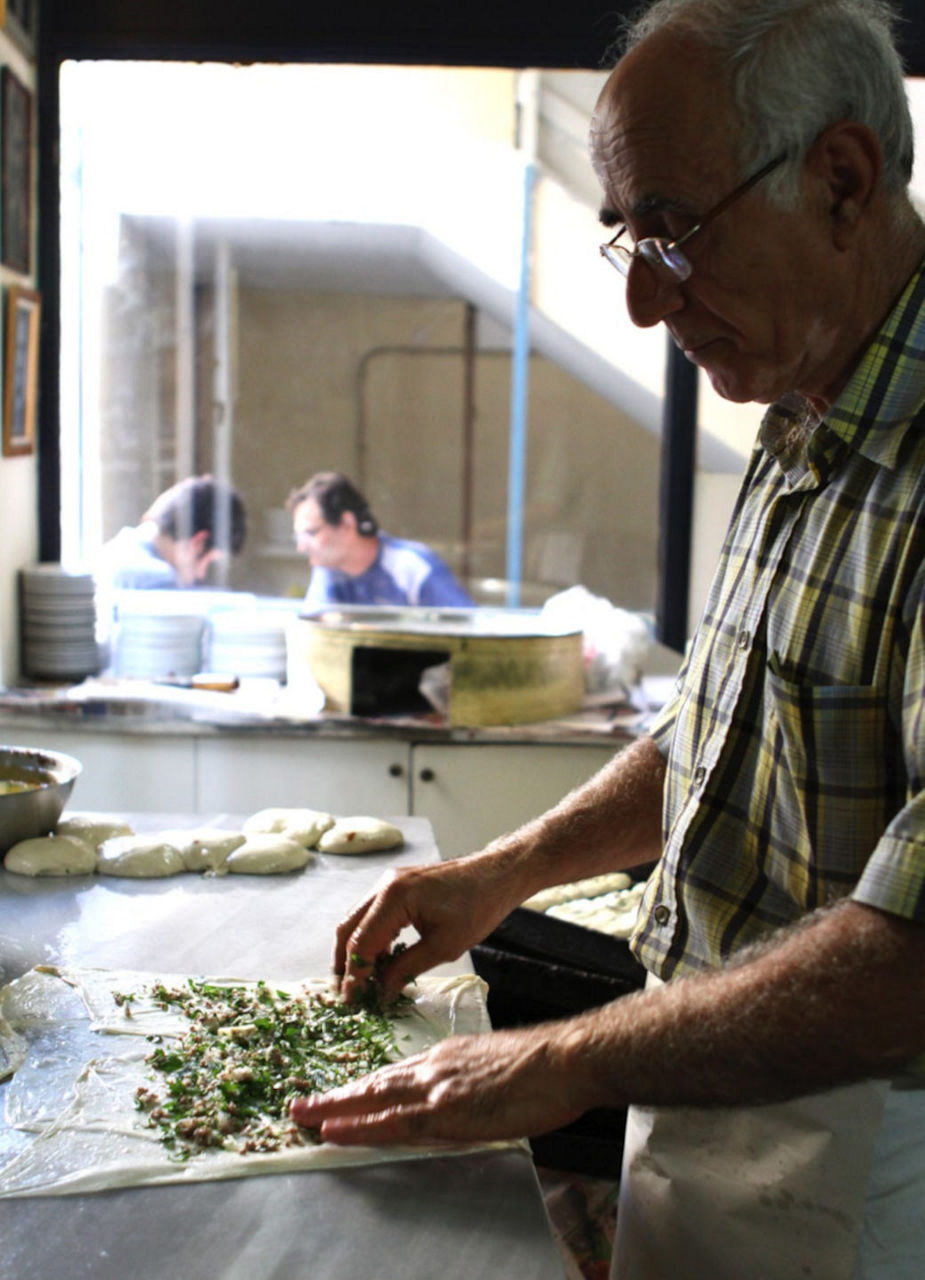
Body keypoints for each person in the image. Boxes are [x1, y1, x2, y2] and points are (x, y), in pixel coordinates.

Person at [288, 2, 925, 1277]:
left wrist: (551, 1058)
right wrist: (501, 870)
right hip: (704, 1075)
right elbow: (715, 732)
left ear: (842, 179)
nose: (641, 300)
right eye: (627, 239)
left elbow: (910, 957)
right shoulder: (807, 403)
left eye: (675, 233)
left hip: (860, 1155)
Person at [288, 471, 473, 608]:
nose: (301, 547)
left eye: (311, 533)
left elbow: (469, 632)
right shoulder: (327, 571)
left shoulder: (412, 567)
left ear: (346, 523)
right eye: (298, 536)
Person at [95, 475, 247, 590]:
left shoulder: (115, 549)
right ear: (199, 543)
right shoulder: (159, 580)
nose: (200, 576)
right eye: (210, 563)